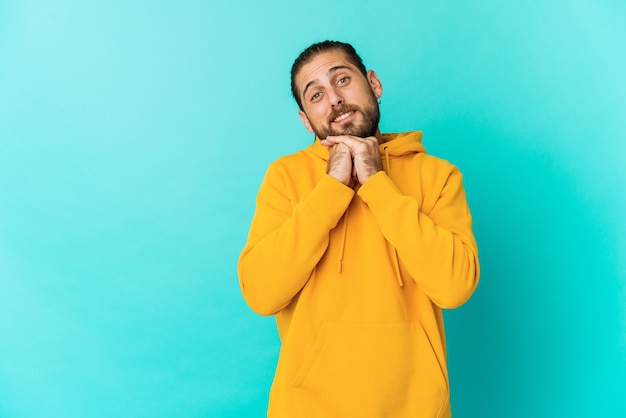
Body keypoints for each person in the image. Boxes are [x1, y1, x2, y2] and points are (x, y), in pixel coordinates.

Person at [238, 40, 480, 418]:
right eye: (316, 94)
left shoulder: (437, 176)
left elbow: (455, 287)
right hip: (306, 409)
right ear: (306, 119)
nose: (334, 99)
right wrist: (332, 189)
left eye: (343, 79)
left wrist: (377, 185)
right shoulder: (285, 178)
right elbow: (262, 294)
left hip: (416, 408)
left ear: (374, 85)